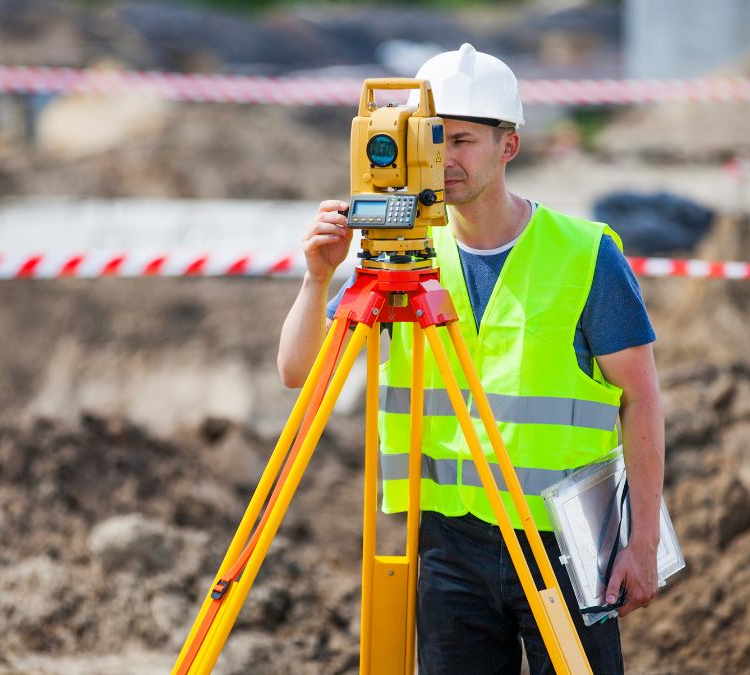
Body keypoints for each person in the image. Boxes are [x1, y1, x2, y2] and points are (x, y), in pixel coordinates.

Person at [277, 44, 664, 675]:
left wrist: (641, 541)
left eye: (462, 140)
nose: (443, 160)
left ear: (508, 146)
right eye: (431, 139)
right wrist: (316, 279)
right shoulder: (397, 255)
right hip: (447, 546)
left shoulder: (584, 255)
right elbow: (299, 375)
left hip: (566, 545)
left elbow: (641, 397)